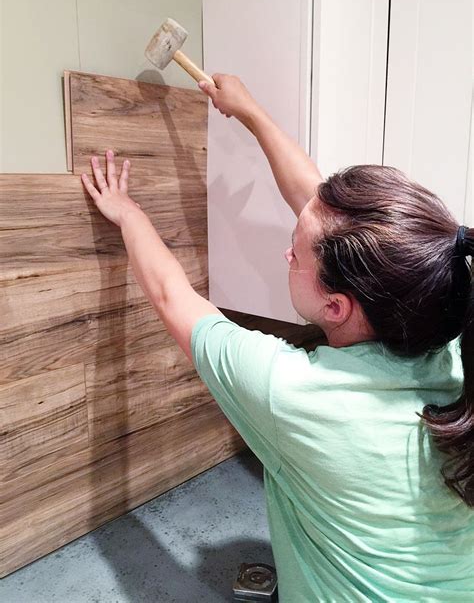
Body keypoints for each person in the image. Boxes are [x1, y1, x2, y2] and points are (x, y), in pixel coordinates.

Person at [81, 74, 474, 602]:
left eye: (295, 250)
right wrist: (250, 112)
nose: (287, 253)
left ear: (336, 307)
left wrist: (126, 211)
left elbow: (173, 297)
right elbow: (318, 210)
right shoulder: (451, 343)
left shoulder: (291, 393)